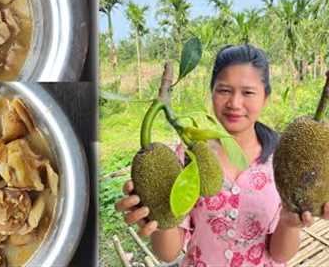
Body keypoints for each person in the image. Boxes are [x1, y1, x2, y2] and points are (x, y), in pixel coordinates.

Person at [115, 44, 329, 266]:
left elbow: (280, 254)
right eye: (224, 90)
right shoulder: (187, 155)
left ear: (265, 97)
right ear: (212, 92)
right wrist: (158, 217)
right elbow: (168, 253)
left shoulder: (283, 158)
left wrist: (289, 222)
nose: (234, 103)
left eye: (248, 92)